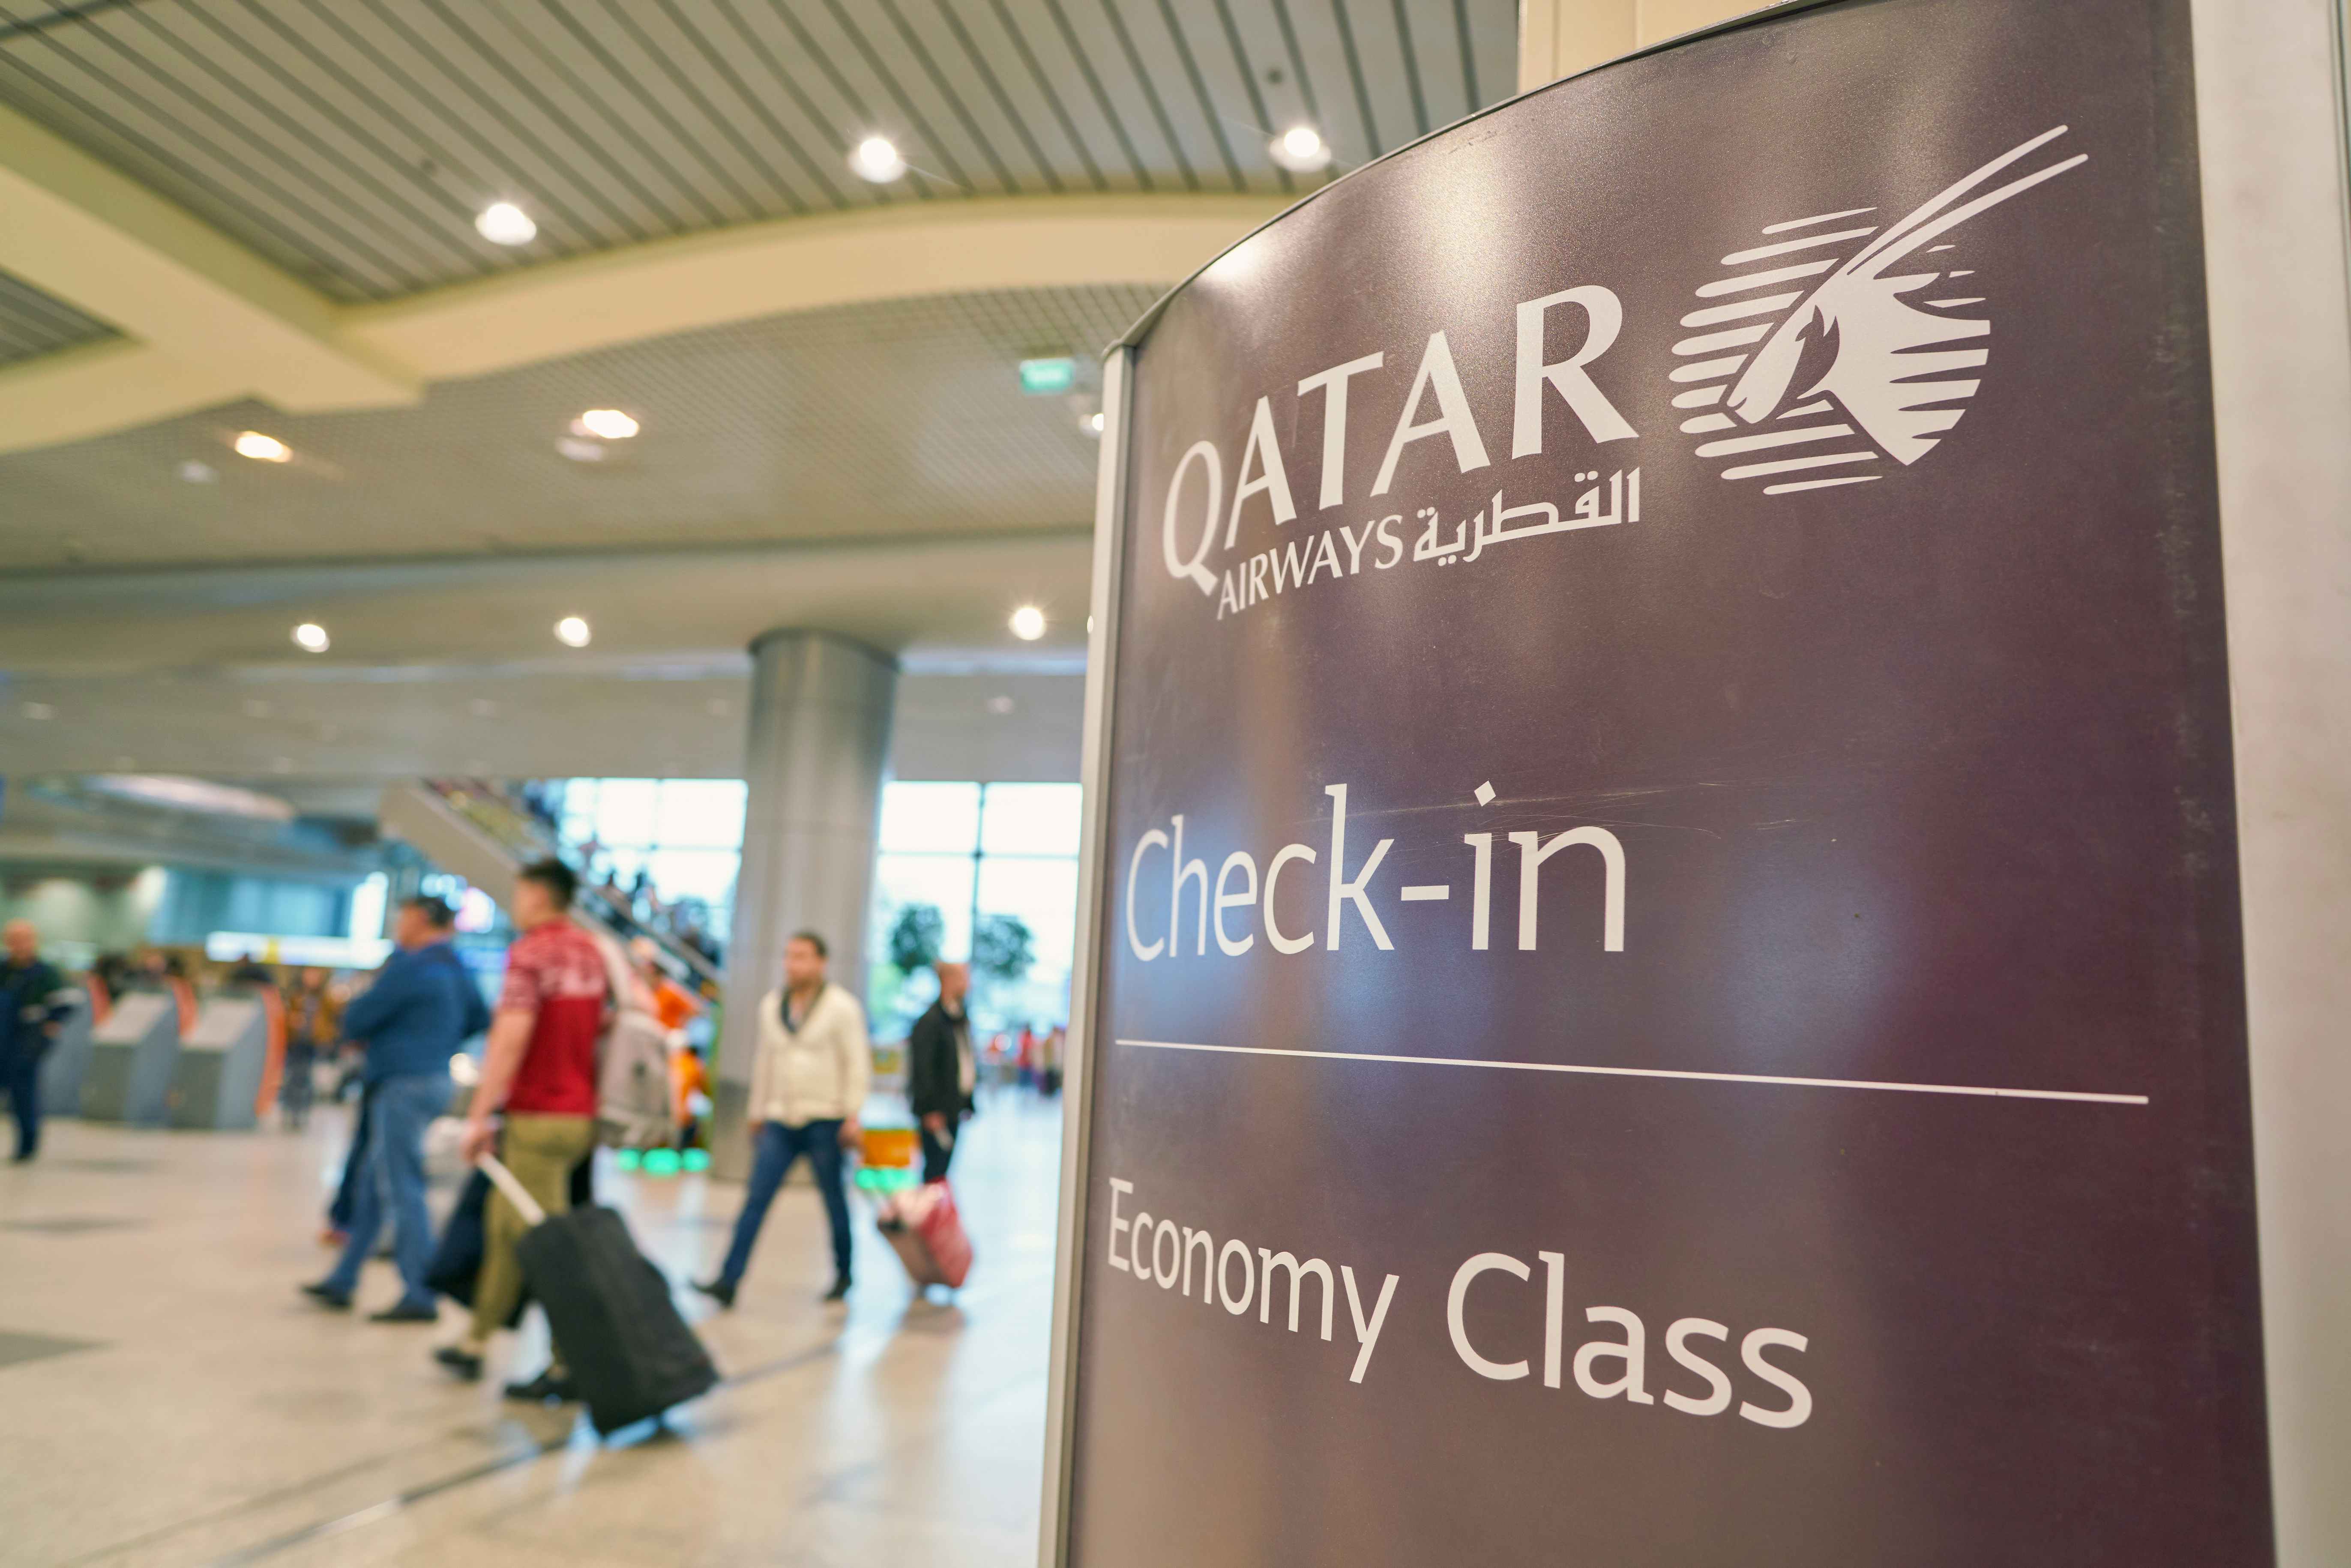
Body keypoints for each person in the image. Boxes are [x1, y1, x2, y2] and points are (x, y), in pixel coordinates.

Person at [437, 859, 607, 1399]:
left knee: (545, 1245)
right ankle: (476, 1342)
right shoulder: (591, 951)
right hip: (578, 1113)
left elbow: (510, 1039)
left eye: (520, 891)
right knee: (504, 1229)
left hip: (538, 1116)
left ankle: (568, 1363)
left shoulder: (532, 953)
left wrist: (479, 1115)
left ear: (538, 894)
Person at [302, 898, 485, 1320]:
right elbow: (479, 1017)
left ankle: (420, 1291)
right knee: (375, 1178)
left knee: (402, 1184)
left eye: (402, 917)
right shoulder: (458, 967)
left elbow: (361, 1016)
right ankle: (345, 1278)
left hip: (403, 1080)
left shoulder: (411, 964)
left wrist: (402, 1039)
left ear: (421, 920)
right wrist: (438, 1042)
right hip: (435, 1077)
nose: (398, 926)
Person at [695, 932, 869, 1308]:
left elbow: (857, 1063)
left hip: (825, 1118)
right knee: (756, 1199)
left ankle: (844, 1274)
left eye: (803, 957)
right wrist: (757, 1111)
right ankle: (729, 1279)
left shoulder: (842, 1008)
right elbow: (765, 1061)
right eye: (790, 957)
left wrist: (852, 1113)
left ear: (821, 962)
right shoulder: (773, 1005)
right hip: (780, 1119)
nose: (794, 965)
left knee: (834, 1200)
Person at [0, 921, 72, 1163]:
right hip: (3, 1039)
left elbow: (66, 1004)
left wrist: (51, 1027)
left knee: (24, 1095)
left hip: (27, 1043)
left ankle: (27, 1147)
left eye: (24, 939)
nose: (19, 945)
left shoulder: (46, 973)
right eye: (14, 939)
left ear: (33, 941)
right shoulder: (4, 970)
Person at [906, 961, 976, 1184]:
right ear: (948, 980)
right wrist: (930, 1109)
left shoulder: (959, 1018)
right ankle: (929, 1216)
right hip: (937, 1110)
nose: (968, 984)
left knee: (943, 1169)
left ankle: (936, 1215)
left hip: (954, 1106)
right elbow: (922, 1069)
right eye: (963, 978)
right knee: (935, 1169)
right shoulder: (931, 1021)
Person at [280, 968, 341, 1132]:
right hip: (296, 1041)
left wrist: (328, 1036)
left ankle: (302, 1113)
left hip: (313, 1042)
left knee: (306, 1077)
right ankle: (290, 1110)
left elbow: (333, 1019)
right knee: (294, 1076)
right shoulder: (296, 996)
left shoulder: (326, 999)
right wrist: (292, 1020)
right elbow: (285, 1014)